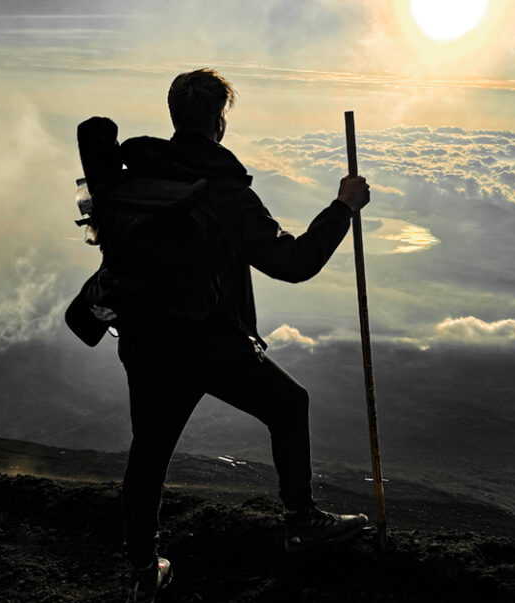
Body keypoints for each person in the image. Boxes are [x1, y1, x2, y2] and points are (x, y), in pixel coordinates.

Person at [115, 68, 371, 602]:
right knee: (288, 404)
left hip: (144, 337)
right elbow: (293, 262)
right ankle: (300, 524)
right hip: (208, 341)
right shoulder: (222, 188)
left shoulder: (139, 171)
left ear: (175, 115)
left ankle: (143, 568)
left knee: (150, 449)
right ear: (219, 120)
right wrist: (342, 207)